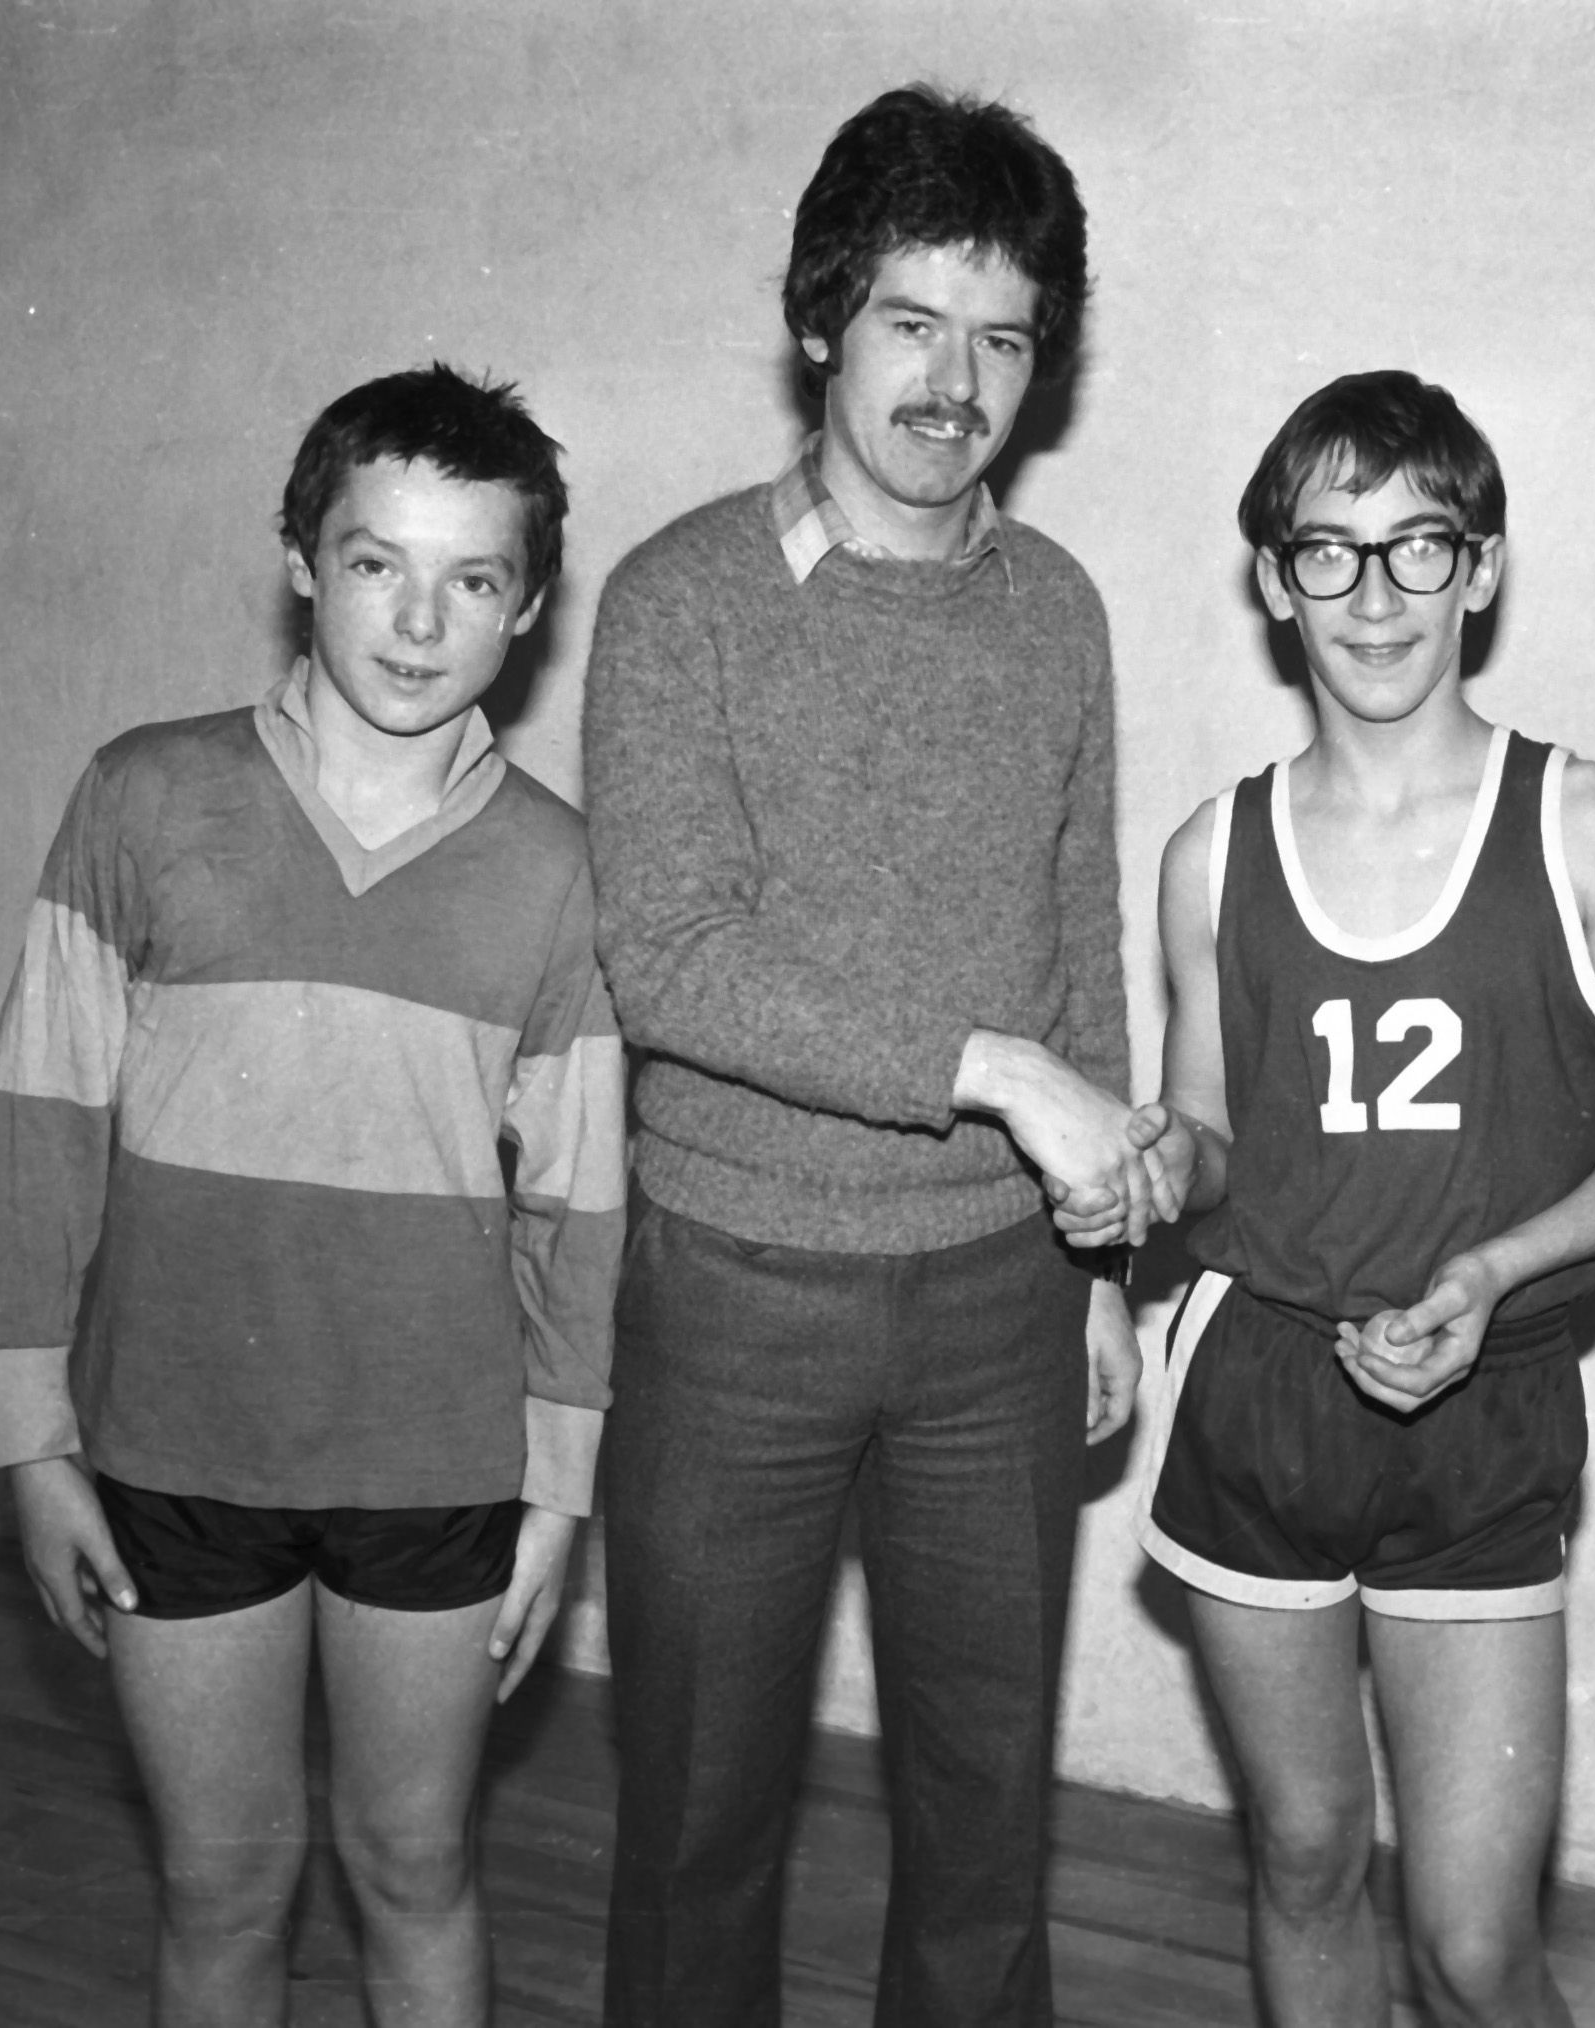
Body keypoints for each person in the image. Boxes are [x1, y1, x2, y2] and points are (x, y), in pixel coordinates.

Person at [583, 82, 1159, 2028]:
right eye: (913, 321)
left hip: (1003, 1304)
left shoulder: (1058, 613)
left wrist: (1105, 1271)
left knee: (987, 1829)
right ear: (821, 320)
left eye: (1004, 338)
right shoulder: (680, 601)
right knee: (692, 1828)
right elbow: (669, 963)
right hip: (735, 1296)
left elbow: (1079, 942)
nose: (955, 379)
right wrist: (995, 1067)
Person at [0, 363, 624, 2027]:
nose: (418, 619)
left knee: (414, 1870)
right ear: (301, 564)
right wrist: (30, 1437)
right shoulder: (144, 796)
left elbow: (579, 1207)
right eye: (377, 559)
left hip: (437, 1463)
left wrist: (557, 1487)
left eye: (472, 578)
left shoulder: (561, 874)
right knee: (220, 1885)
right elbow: (35, 1124)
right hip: (176, 1445)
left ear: (526, 608)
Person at [1133, 369, 1595, 2027]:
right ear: (1273, 578)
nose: (1375, 595)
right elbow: (1210, 1144)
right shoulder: (1212, 852)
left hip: (1483, 1409)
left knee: (1473, 1950)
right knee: (1306, 1864)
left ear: (1481, 567)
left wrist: (1494, 1270)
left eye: (1419, 548)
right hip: (1262, 1394)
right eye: (1327, 553)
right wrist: (1143, 1167)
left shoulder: (1586, 825)